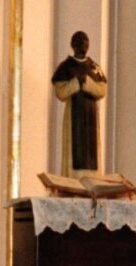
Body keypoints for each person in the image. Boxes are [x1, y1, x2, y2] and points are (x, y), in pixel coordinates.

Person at [53, 30, 107, 176]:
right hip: (73, 118)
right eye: (79, 41)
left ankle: (92, 181)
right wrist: (77, 82)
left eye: (85, 42)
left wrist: (87, 82)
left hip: (91, 117)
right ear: (72, 45)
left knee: (92, 152)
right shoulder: (66, 66)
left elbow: (102, 90)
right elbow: (61, 92)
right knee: (74, 153)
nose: (82, 44)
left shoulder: (93, 67)